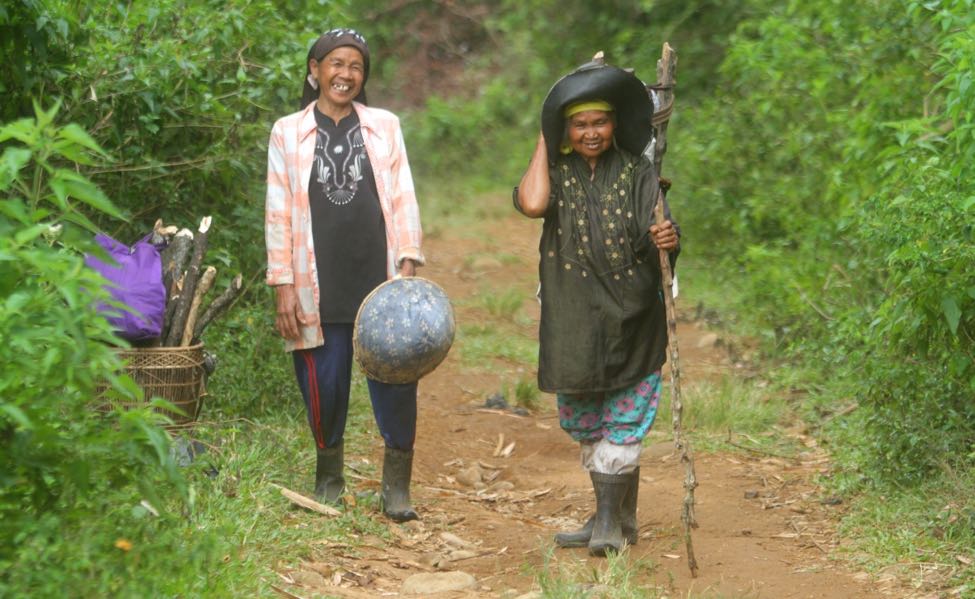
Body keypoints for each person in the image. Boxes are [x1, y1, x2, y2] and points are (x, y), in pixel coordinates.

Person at [513, 58, 680, 556]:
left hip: (632, 316)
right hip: (574, 317)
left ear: (614, 125)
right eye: (579, 123)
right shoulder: (557, 173)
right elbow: (534, 203)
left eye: (600, 122)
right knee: (585, 418)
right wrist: (546, 135)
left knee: (624, 417)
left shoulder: (638, 172)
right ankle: (615, 517)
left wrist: (667, 237)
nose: (591, 132)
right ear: (565, 130)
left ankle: (607, 523)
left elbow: (660, 241)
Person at [265, 28, 424, 521]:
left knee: (396, 377)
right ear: (315, 71)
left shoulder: (384, 125)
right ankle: (328, 476)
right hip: (316, 279)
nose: (346, 74)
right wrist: (283, 284)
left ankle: (396, 486)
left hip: (377, 275)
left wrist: (408, 259)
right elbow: (278, 212)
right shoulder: (287, 132)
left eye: (355, 66)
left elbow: (402, 194)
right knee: (323, 382)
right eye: (336, 63)